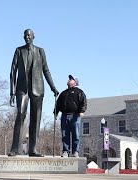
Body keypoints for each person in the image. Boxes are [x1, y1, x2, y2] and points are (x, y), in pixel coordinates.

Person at [9, 29, 59, 157]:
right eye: (25, 35)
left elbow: (46, 70)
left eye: (29, 35)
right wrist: (12, 92)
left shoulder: (40, 51)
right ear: (23, 37)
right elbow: (13, 72)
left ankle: (33, 149)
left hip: (37, 88)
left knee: (36, 118)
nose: (27, 37)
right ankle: (15, 148)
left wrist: (53, 87)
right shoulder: (19, 50)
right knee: (20, 114)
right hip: (22, 88)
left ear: (33, 37)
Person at [54, 75, 87, 157]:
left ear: (75, 82)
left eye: (71, 79)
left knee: (76, 134)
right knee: (65, 134)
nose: (69, 80)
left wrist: (82, 111)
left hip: (75, 116)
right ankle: (65, 151)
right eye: (69, 79)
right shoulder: (63, 93)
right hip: (64, 116)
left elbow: (84, 102)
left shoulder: (79, 92)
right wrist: (55, 113)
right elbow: (58, 104)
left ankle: (75, 151)